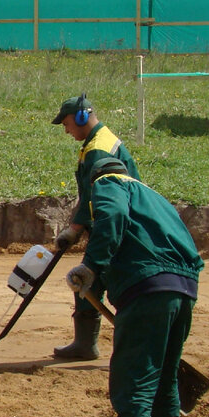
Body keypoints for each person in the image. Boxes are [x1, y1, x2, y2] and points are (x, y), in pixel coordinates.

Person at [65, 157, 203, 417]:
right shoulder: (154, 196)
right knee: (166, 373)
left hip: (147, 290)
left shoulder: (107, 186)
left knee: (135, 379)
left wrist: (92, 266)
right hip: (184, 288)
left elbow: (111, 218)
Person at [50, 94, 140, 360]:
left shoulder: (98, 150)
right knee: (88, 283)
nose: (66, 130)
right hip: (114, 224)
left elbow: (97, 197)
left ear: (81, 117)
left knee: (89, 279)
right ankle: (86, 344)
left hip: (114, 227)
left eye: (66, 123)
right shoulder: (98, 141)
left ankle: (94, 345)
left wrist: (75, 229)